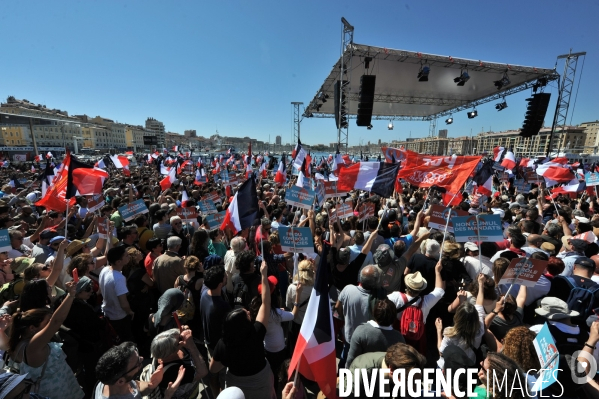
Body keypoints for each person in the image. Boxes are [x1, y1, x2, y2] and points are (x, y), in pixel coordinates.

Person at [209, 260, 276, 399]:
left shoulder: (223, 344)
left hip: (236, 385)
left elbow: (213, 368)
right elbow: (266, 302)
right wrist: (264, 275)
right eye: (247, 314)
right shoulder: (256, 332)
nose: (249, 312)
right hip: (261, 383)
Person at [8, 281, 84, 398]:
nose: (49, 326)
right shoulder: (33, 346)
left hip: (58, 389)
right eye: (47, 323)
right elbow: (56, 321)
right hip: (58, 393)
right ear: (32, 328)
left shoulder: (16, 344)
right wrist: (71, 295)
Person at [95, 341, 185, 399]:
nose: (142, 359)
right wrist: (168, 395)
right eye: (137, 363)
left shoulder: (106, 381)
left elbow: (136, 385)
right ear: (120, 381)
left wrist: (150, 385)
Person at [436, 273, 486, 369]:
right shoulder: (479, 329)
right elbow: (479, 303)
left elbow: (441, 352)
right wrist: (481, 284)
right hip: (467, 364)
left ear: (457, 317)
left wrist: (439, 330)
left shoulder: (449, 333)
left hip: (447, 367)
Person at [149, 328, 209, 398]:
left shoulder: (160, 353)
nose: (183, 339)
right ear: (171, 351)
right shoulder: (175, 372)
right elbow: (203, 372)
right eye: (180, 339)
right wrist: (191, 345)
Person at [345, 299, 405, 368]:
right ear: (394, 317)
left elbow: (351, 360)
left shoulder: (361, 332)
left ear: (374, 312)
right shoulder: (399, 338)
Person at [99, 246, 135, 343]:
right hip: (119, 317)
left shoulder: (105, 270)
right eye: (126, 256)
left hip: (108, 313)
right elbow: (123, 303)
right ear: (119, 262)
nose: (129, 257)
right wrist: (130, 312)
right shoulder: (119, 278)